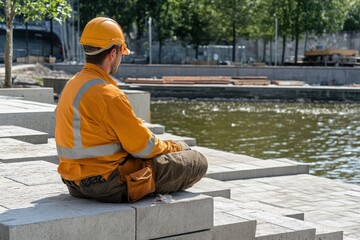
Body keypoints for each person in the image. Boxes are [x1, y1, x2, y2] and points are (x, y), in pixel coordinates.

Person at [55, 17, 208, 203]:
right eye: (121, 54)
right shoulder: (109, 95)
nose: (120, 59)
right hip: (106, 185)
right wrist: (177, 147)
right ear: (112, 54)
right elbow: (145, 147)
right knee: (197, 161)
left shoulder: (72, 85)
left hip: (74, 183)